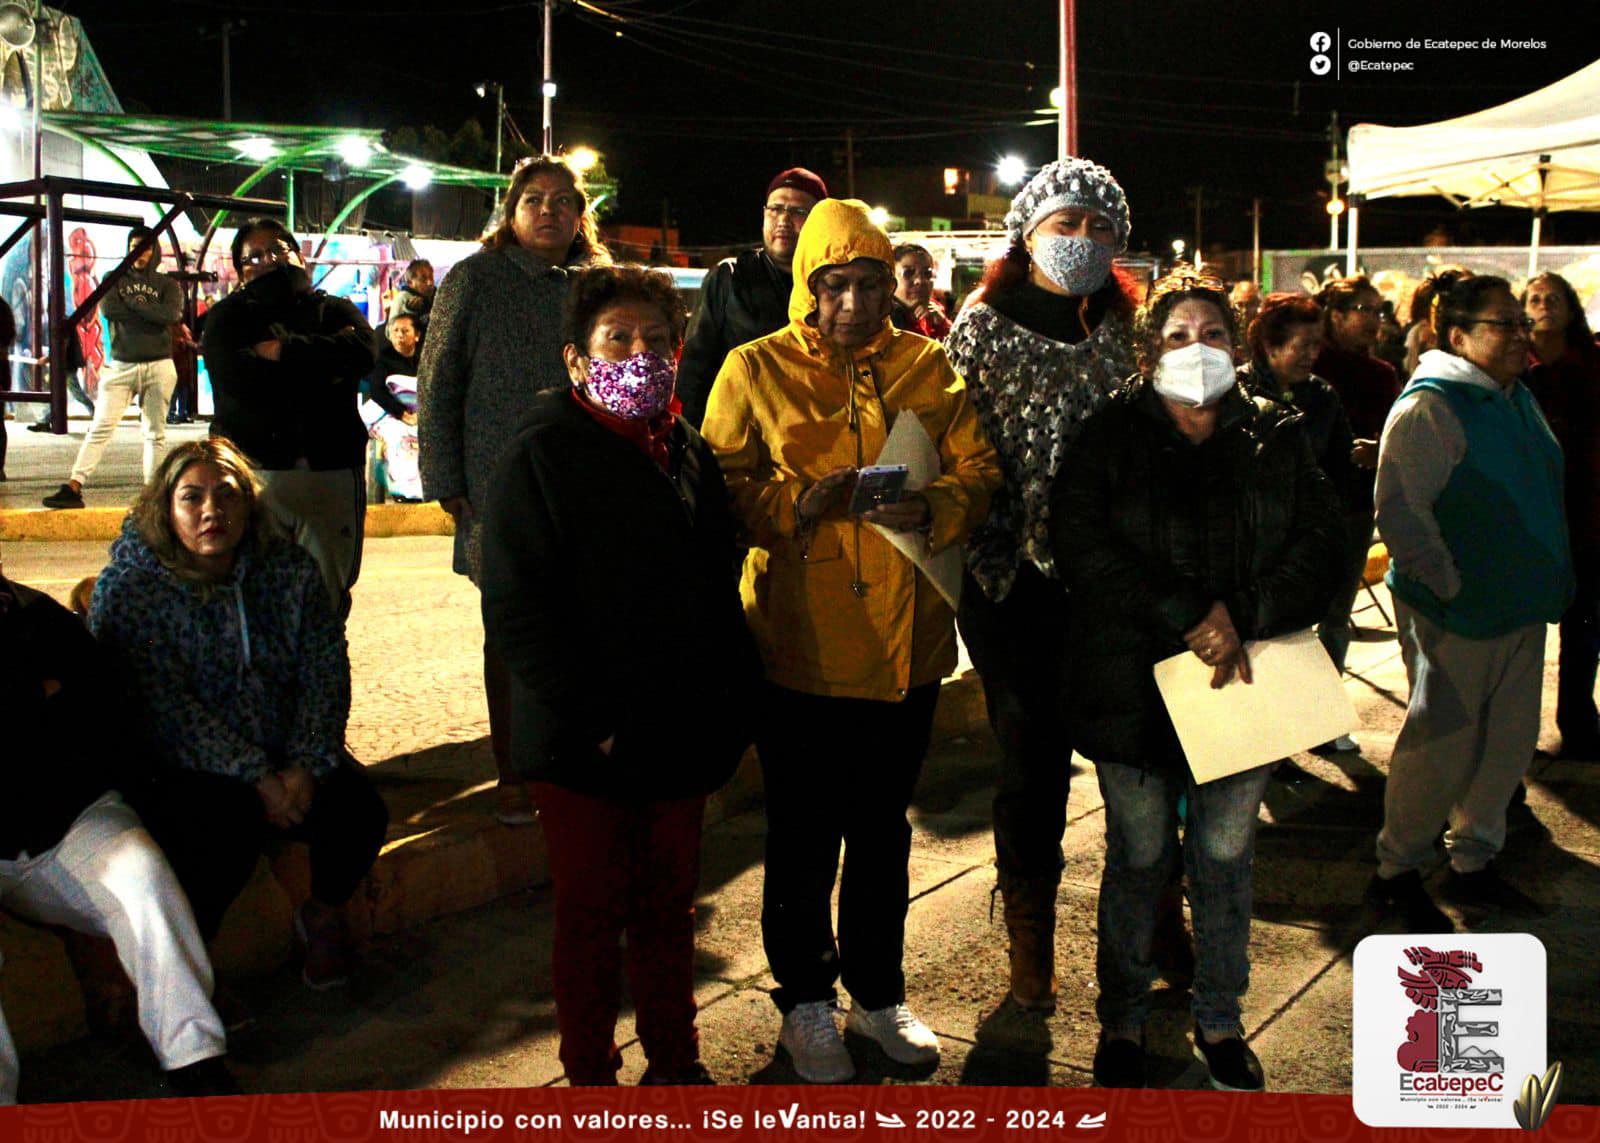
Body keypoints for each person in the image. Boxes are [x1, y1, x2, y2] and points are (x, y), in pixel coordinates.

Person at [702, 198, 1000, 1084]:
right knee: (801, 835)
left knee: (881, 833)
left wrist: (940, 506)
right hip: (798, 647)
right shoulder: (752, 368)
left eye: (870, 283)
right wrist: (797, 503)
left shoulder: (929, 365)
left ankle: (877, 989)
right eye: (834, 284)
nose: (853, 303)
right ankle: (804, 1002)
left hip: (906, 648)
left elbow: (978, 468)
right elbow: (721, 482)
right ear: (808, 284)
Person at [1050, 268, 1343, 1092]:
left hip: (1239, 684)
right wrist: (1188, 612)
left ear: (1236, 346)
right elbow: (1082, 543)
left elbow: (1323, 543)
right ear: (1149, 354)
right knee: (1139, 855)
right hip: (1133, 685)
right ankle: (1123, 1020)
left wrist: (1244, 612)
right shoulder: (1109, 436)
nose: (1197, 350)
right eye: (1177, 336)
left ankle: (1219, 1015)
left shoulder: (1275, 435)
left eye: (1212, 334)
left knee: (1224, 854)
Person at [480, 265, 757, 1086]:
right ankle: (591, 1078)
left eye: (657, 340)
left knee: (669, 912)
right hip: (585, 743)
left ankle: (676, 1064)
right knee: (592, 918)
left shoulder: (683, 447)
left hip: (676, 728)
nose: (640, 355)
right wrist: (594, 716)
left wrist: (723, 701)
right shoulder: (541, 454)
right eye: (618, 340)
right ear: (576, 359)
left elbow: (714, 575)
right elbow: (519, 609)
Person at [942, 157, 1139, 1027]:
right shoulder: (981, 327)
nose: (1081, 242)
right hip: (1009, 580)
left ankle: (1153, 913)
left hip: (1117, 581)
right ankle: (1030, 928)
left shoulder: (1130, 330)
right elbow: (955, 450)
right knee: (1032, 760)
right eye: (1066, 224)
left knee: (1140, 752)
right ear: (1026, 235)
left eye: (1099, 230)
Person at [88, 438, 389, 990]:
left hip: (280, 754)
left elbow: (324, 671)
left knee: (358, 809)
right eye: (192, 498)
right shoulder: (133, 588)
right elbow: (165, 710)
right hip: (180, 763)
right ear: (165, 507)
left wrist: (303, 764)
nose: (211, 512)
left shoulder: (287, 570)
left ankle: (320, 915)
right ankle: (187, 975)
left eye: (226, 495)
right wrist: (255, 777)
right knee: (218, 836)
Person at [1368, 272, 1572, 928]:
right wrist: (1448, 586)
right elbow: (1401, 510)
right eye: (1503, 324)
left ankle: (1474, 859)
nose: (1521, 333)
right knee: (1442, 743)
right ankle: (1396, 867)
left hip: (1517, 606)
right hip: (1457, 612)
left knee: (1507, 742)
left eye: (1521, 321)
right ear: (1457, 336)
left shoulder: (1513, 395)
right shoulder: (1431, 405)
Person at [418, 155, 610, 827]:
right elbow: (438, 380)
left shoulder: (600, 284)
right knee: (513, 629)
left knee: (586, 624)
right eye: (534, 199)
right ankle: (515, 770)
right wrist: (445, 481)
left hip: (587, 483)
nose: (549, 210)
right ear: (511, 209)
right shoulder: (475, 279)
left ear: (581, 214)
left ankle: (577, 754)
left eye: (563, 200)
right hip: (497, 485)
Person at [1, 551, 235, 1102]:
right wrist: (32, 699)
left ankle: (194, 1061)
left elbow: (98, 713)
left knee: (143, 877)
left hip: (64, 824)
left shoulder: (39, 615)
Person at [201, 218, 375, 620]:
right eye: (255, 257)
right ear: (240, 270)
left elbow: (364, 351)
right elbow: (241, 381)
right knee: (254, 598)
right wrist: (324, 365)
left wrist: (282, 351)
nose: (270, 261)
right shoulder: (227, 319)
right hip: (256, 475)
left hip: (331, 471)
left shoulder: (334, 308)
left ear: (299, 255)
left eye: (279, 250)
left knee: (326, 601)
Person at [1238, 294, 1367, 678]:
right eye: (1303, 345)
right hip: (1260, 538)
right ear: (1271, 345)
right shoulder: (1239, 392)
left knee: (1331, 623)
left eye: (1316, 344)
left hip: (1315, 533)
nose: (1313, 354)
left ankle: (1327, 724)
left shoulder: (1321, 395)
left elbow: (1341, 463)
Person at [42, 228, 183, 510]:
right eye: (134, 247)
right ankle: (74, 486)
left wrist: (132, 305)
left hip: (159, 364)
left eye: (144, 248)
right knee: (100, 428)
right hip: (121, 365)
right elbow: (110, 311)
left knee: (155, 433)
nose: (139, 253)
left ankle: (151, 496)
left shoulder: (167, 284)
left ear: (153, 250)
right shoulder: (112, 279)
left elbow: (170, 315)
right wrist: (149, 313)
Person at [675, 167, 828, 427]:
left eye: (798, 211)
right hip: (740, 432)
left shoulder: (831, 285)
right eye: (776, 209)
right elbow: (695, 370)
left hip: (815, 435)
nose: (783, 220)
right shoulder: (730, 277)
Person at [1524, 273, 1600, 759]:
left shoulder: (1592, 363)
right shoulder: (1512, 369)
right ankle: (1512, 727)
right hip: (1529, 515)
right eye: (1534, 298)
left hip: (1588, 511)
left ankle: (1576, 721)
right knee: (1521, 633)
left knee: (1585, 625)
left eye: (1554, 298)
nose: (1544, 305)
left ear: (1570, 308)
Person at [362, 314, 423, 502]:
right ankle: (404, 490)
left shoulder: (426, 357)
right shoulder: (383, 359)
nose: (399, 335)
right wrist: (402, 414)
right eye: (395, 331)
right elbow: (378, 391)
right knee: (400, 437)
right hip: (390, 413)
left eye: (405, 331)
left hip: (421, 413)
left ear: (417, 335)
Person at [891, 243, 951, 340]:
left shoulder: (934, 314)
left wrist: (941, 324)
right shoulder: (881, 324)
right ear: (890, 279)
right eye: (909, 273)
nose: (920, 281)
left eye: (927, 273)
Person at [387, 258, 434, 337]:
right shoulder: (403, 298)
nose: (429, 283)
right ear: (410, 283)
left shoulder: (437, 295)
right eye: (423, 279)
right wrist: (409, 312)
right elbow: (390, 333)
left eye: (431, 277)